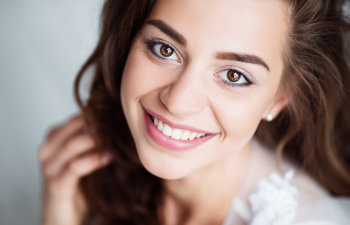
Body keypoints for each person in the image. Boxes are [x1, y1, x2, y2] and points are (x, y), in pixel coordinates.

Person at [39, 0, 350, 224]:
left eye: (233, 76)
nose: (177, 101)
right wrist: (59, 208)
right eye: (165, 49)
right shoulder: (91, 175)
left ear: (280, 98)